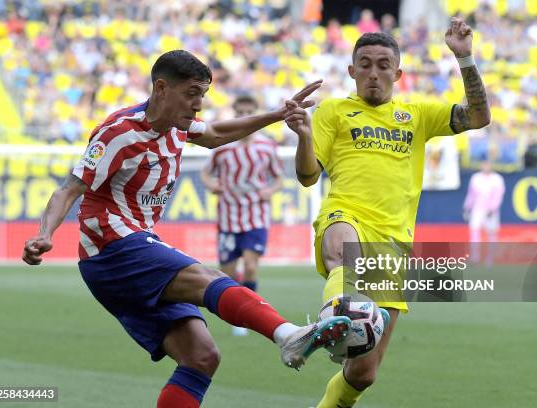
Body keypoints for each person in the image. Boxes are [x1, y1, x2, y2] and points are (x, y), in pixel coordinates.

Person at [21, 50, 351, 408]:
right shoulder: (118, 133)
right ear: (161, 88)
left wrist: (276, 115)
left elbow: (215, 133)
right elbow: (68, 189)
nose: (198, 105)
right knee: (206, 276)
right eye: (192, 93)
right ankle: (288, 335)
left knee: (201, 356)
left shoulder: (179, 125)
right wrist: (45, 234)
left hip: (130, 250)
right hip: (111, 247)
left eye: (203, 95)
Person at [284, 18, 491, 407]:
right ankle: (328, 319)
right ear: (351, 71)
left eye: (383, 65)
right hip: (345, 214)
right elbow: (308, 176)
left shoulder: (416, 114)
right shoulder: (334, 111)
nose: (373, 73)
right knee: (342, 249)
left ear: (397, 73)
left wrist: (464, 59)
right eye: (365, 64)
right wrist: (306, 136)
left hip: (392, 244)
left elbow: (478, 117)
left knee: (363, 374)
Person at [200, 94, 284, 336]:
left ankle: (250, 317)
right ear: (236, 113)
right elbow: (206, 174)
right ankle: (237, 310)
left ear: (255, 112)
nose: (246, 115)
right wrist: (211, 185)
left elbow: (278, 178)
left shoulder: (267, 146)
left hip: (256, 215)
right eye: (241, 112)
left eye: (250, 111)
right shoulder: (223, 147)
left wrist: (270, 190)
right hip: (228, 216)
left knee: (250, 267)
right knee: (227, 272)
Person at [463, 160, 505, 266]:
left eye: (488, 164)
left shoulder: (497, 179)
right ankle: (475, 257)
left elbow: (498, 196)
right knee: (474, 232)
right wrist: (467, 207)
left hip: (490, 211)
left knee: (491, 233)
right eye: (484, 164)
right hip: (477, 209)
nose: (486, 167)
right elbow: (471, 194)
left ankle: (490, 258)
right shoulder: (475, 178)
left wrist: (492, 209)